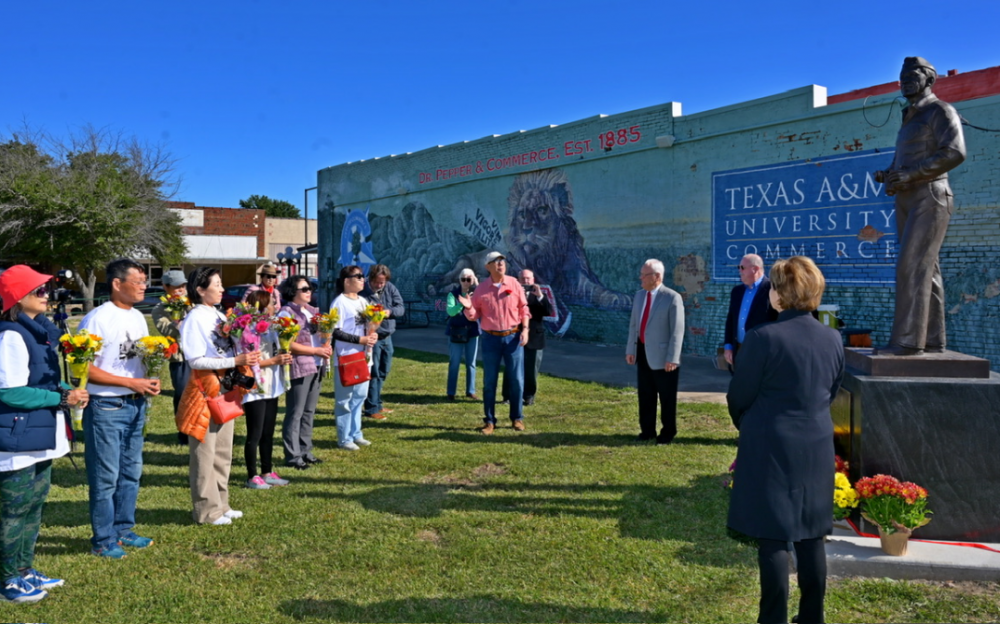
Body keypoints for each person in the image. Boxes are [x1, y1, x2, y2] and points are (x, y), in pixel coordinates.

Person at [727, 256, 845, 624]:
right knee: (811, 535)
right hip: (816, 445)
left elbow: (739, 395)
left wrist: (749, 423)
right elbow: (832, 389)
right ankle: (812, 616)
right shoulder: (832, 337)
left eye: (774, 287)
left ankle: (773, 618)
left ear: (779, 295)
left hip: (771, 446)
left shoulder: (763, 337)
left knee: (773, 536)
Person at [0, 266, 85, 602]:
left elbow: (41, 380)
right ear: (17, 298)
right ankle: (7, 578)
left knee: (34, 506)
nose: (47, 295)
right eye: (39, 290)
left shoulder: (37, 332)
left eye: (47, 289)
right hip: (18, 437)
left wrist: (65, 388)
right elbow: (10, 392)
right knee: (14, 510)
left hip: (39, 434)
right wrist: (62, 398)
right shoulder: (11, 335)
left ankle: (24, 569)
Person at [873, 56, 966, 356]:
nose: (906, 79)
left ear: (930, 79)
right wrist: (889, 174)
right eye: (902, 75)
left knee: (911, 266)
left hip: (930, 195)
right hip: (906, 197)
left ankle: (908, 343)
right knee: (928, 270)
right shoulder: (909, 117)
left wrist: (912, 173)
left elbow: (955, 152)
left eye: (914, 74)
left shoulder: (940, 110)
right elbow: (906, 159)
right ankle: (933, 340)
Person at [78, 258, 161, 558]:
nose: (143, 285)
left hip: (135, 405)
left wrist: (148, 378)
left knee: (130, 472)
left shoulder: (139, 317)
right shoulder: (97, 319)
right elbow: (84, 370)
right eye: (138, 280)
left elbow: (138, 359)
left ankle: (124, 530)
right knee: (105, 476)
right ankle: (103, 540)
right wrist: (130, 384)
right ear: (116, 283)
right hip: (106, 406)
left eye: (144, 280)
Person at [176, 267, 260, 525]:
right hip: (205, 389)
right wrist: (236, 358)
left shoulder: (217, 314)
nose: (222, 289)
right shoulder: (195, 318)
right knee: (205, 452)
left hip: (225, 386)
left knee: (223, 451)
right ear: (201, 290)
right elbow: (195, 359)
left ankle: (222, 504)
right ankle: (206, 510)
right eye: (217, 284)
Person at [457, 251, 530, 435]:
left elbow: (524, 308)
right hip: (490, 339)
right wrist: (468, 307)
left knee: (516, 380)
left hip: (513, 337)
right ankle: (489, 421)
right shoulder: (481, 289)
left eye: (502, 261)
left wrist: (526, 330)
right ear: (487, 266)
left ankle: (517, 418)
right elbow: (474, 316)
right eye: (495, 262)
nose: (500, 264)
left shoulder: (514, 283)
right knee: (490, 382)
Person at [625, 259, 684, 444]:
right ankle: (647, 431)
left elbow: (677, 330)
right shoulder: (639, 296)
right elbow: (634, 325)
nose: (640, 278)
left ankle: (667, 432)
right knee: (646, 395)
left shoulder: (672, 297)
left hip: (664, 357)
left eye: (644, 274)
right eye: (641, 274)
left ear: (657, 277)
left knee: (666, 398)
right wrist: (631, 349)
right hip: (642, 353)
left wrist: (673, 358)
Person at [277, 275, 332, 469]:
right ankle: (292, 455)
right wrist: (316, 350)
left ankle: (305, 450)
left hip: (316, 364)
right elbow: (288, 344)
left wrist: (326, 345)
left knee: (309, 411)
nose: (310, 292)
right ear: (293, 292)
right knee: (296, 412)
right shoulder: (285, 314)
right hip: (300, 366)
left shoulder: (311, 311)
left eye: (310, 289)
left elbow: (320, 337)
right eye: (305, 289)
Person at [241, 290, 292, 490]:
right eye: (272, 303)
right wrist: (274, 360)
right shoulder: (248, 330)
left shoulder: (272, 327)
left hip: (271, 386)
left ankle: (267, 471)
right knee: (255, 433)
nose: (275, 306)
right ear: (262, 306)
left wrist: (284, 353)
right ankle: (251, 475)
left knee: (268, 432)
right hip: (256, 387)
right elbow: (249, 361)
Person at [330, 266, 378, 450]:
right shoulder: (339, 303)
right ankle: (344, 438)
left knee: (360, 396)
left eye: (362, 276)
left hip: (364, 356)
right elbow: (335, 331)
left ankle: (356, 433)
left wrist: (372, 335)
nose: (362, 279)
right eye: (358, 276)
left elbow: (370, 324)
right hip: (347, 357)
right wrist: (360, 339)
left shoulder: (363, 302)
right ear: (346, 280)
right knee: (345, 400)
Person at [151, 269, 191, 446]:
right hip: (180, 358)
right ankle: (183, 433)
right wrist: (179, 322)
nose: (180, 289)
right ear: (165, 287)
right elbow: (167, 329)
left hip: (200, 356)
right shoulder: (159, 309)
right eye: (175, 287)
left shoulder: (194, 302)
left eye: (182, 286)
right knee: (182, 394)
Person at [360, 264, 405, 419]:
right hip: (373, 338)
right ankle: (371, 408)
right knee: (374, 372)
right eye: (377, 282)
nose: (380, 285)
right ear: (370, 279)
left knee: (384, 370)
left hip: (387, 336)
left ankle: (377, 402)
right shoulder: (363, 292)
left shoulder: (390, 288)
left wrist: (389, 312)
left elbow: (401, 308)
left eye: (382, 282)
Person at [723, 254, 776, 372]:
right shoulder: (737, 291)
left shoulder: (772, 289)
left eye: (742, 267)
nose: (739, 271)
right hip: (739, 349)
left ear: (755, 269)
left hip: (762, 352)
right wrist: (728, 346)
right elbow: (731, 320)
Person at [445, 268, 481, 401]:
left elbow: (484, 304)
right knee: (454, 362)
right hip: (456, 332)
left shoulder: (477, 293)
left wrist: (477, 285)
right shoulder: (453, 294)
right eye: (463, 279)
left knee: (471, 363)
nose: (466, 282)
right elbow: (451, 312)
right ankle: (451, 391)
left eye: (469, 279)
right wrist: (462, 304)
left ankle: (470, 391)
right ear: (459, 280)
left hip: (472, 332)